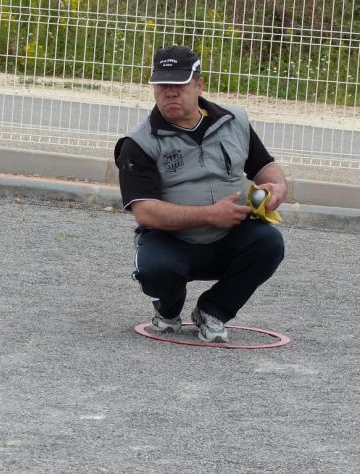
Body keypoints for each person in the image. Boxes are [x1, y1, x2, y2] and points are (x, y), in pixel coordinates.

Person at [114, 45, 286, 343]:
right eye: (162, 85)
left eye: (179, 84)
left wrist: (278, 187)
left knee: (270, 243)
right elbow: (145, 212)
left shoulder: (234, 121)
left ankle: (213, 310)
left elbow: (265, 167)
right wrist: (210, 215)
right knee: (154, 269)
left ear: (199, 85)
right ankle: (168, 309)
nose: (170, 92)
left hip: (229, 237)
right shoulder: (138, 143)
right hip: (172, 242)